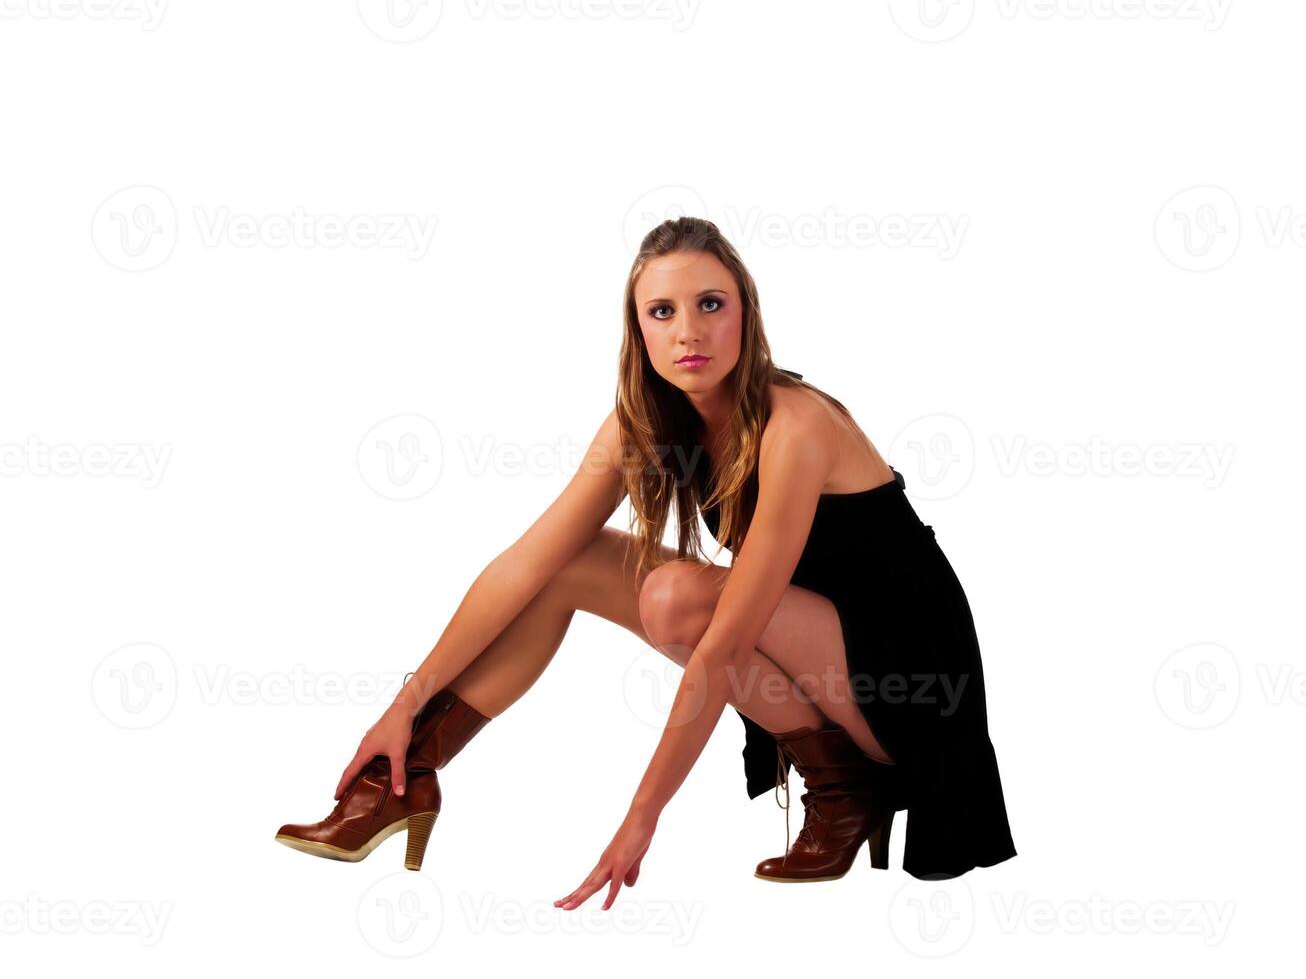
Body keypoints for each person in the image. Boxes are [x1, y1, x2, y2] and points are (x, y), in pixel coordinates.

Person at [275, 215, 1017, 905]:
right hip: (811, 646)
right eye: (662, 311)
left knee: (674, 599)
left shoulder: (795, 425)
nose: (687, 331)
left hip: (910, 681)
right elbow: (523, 563)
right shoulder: (645, 418)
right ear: (637, 327)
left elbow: (725, 642)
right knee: (569, 561)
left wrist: (641, 816)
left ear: (745, 314)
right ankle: (406, 778)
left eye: (709, 304)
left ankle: (845, 782)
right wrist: (404, 704)